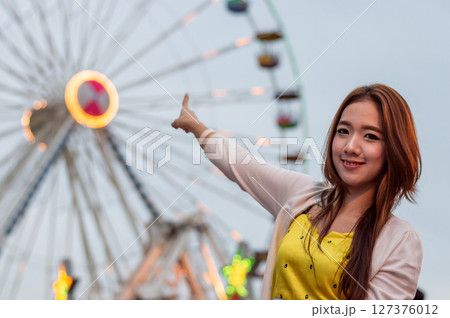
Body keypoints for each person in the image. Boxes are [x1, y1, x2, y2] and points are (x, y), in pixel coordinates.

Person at [171, 84, 423, 300]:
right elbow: (244, 165)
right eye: (343, 131)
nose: (351, 146)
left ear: (394, 149)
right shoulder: (303, 195)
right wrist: (196, 127)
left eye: (370, 136)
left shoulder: (400, 240)